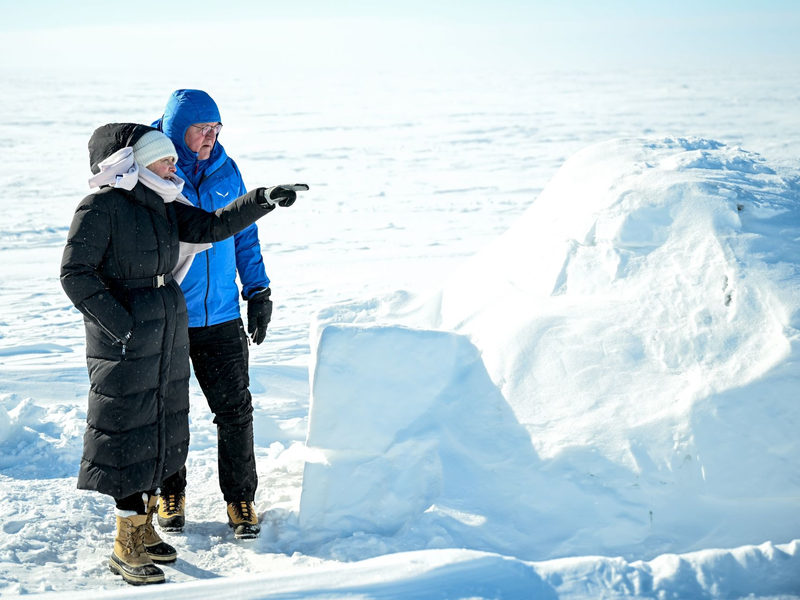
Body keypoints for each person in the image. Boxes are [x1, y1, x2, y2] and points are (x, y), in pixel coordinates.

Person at [61, 123, 305, 585]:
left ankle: (146, 524)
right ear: (133, 163)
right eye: (164, 158)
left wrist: (261, 199)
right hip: (127, 339)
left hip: (163, 329)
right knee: (127, 429)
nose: (174, 166)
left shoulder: (165, 203)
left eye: (174, 158)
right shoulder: (101, 207)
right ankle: (125, 541)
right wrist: (123, 326)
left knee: (160, 424)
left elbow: (215, 226)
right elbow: (75, 273)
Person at [152, 89, 283, 540]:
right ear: (175, 129)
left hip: (223, 315)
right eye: (201, 129)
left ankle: (240, 497)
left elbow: (245, 235)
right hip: (171, 315)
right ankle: (172, 492)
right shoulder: (154, 171)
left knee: (235, 411)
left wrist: (258, 289)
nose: (210, 137)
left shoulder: (227, 169)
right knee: (170, 411)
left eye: (216, 129)